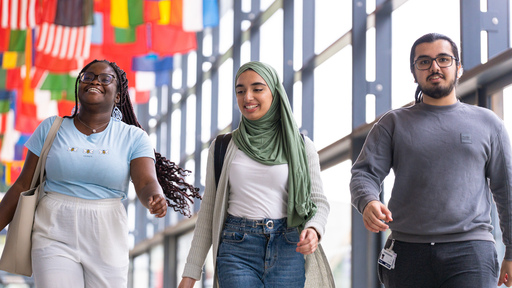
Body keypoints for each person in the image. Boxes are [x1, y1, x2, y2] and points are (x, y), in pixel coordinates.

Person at [0, 59, 201, 287]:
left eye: (106, 78)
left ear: (117, 96)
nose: (95, 81)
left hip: (107, 231)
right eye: (88, 77)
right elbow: (22, 185)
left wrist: (154, 197)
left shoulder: (133, 137)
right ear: (79, 85)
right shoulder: (50, 128)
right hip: (53, 228)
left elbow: (146, 182)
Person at [350, 32, 512, 287]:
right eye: (424, 61)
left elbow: (507, 189)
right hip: (406, 253)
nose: (434, 66)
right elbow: (363, 174)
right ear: (414, 72)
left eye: (443, 59)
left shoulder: (488, 123)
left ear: (458, 68)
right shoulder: (392, 123)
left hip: (470, 253)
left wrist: (511, 251)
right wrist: (368, 201)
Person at [178, 61, 334, 288]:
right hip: (237, 247)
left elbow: (318, 201)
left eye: (257, 89)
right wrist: (190, 273)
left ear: (275, 93)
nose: (247, 97)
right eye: (240, 91)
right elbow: (209, 210)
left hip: (289, 246)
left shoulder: (301, 146)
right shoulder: (223, 146)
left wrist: (313, 228)